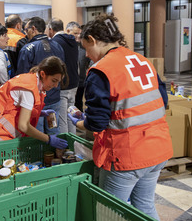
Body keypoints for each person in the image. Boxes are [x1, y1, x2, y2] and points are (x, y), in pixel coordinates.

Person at [68, 13, 173, 220]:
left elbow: (97, 123)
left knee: (108, 213)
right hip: (158, 148)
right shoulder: (142, 61)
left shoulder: (100, 70)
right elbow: (161, 101)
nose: (87, 55)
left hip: (126, 155)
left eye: (86, 48)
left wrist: (80, 122)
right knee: (144, 207)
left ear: (93, 40)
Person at [0, 56, 68, 150]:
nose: (55, 85)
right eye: (54, 80)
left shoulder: (30, 79)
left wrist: (39, 113)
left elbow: (16, 106)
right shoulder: (29, 88)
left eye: (58, 82)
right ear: (43, 74)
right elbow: (23, 126)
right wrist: (48, 139)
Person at [17, 16, 65, 135]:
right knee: (54, 131)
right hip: (54, 97)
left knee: (37, 135)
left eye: (26, 29)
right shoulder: (58, 46)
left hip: (35, 101)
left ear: (33, 29)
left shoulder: (27, 49)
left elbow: (22, 78)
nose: (25, 32)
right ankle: (56, 153)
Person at [47, 18, 79, 135]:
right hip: (74, 82)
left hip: (63, 84)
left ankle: (66, 147)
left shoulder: (55, 43)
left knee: (62, 119)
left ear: (51, 29)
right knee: (72, 116)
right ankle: (74, 142)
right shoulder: (73, 41)